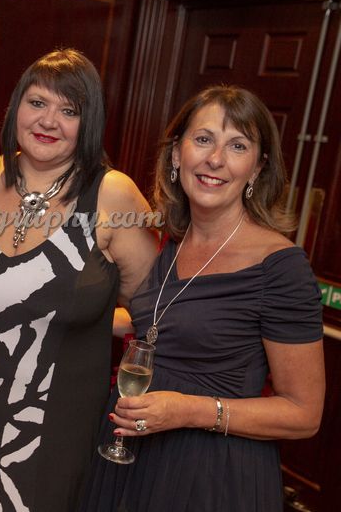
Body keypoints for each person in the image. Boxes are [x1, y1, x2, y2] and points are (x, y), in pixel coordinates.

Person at [0, 48, 159, 511]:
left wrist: (92, 319)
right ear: (16, 108)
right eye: (37, 102)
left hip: (48, 425)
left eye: (69, 111)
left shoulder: (111, 194)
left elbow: (154, 311)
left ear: (89, 123)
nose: (48, 121)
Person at [80, 86, 325, 511]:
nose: (216, 159)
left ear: (257, 168)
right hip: (130, 456)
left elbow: (303, 415)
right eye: (204, 139)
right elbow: (164, 325)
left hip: (211, 473)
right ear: (177, 154)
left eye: (237, 146)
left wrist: (190, 412)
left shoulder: (281, 267)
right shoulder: (170, 243)